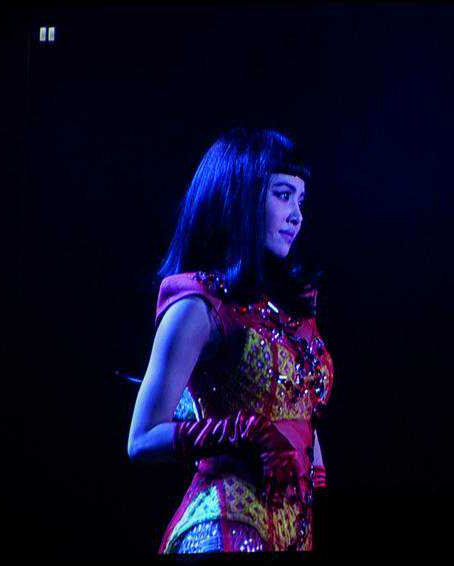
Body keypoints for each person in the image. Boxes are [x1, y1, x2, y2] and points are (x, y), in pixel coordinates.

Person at [127, 127, 334, 553]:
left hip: (293, 530)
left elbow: (296, 409)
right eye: (283, 195)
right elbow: (141, 438)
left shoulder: (289, 309)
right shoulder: (197, 305)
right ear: (240, 196)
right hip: (223, 527)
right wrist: (244, 433)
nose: (297, 216)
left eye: (301, 200)